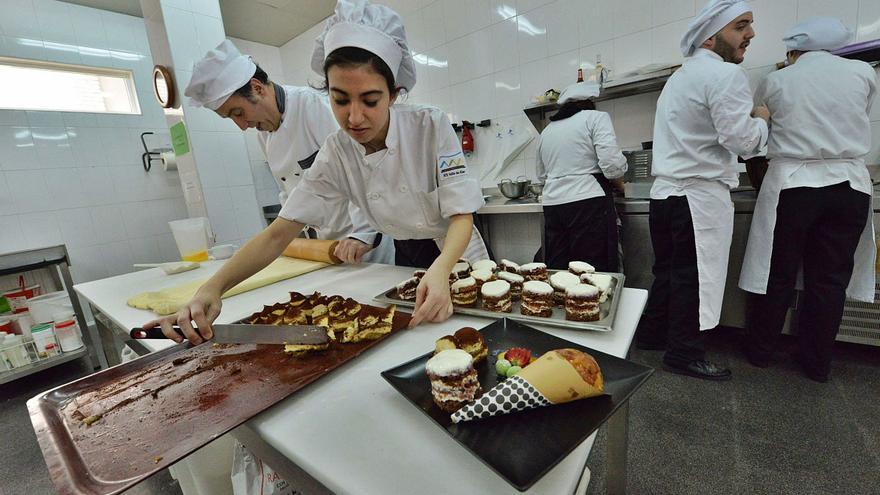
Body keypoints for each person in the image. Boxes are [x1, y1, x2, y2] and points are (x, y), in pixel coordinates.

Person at [144, 0, 489, 342]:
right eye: (340, 100)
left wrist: (442, 269)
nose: (354, 118)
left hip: (455, 252)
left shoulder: (430, 125)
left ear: (394, 95)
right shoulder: (337, 153)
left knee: (473, 338)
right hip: (406, 253)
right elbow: (279, 233)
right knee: (421, 343)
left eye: (370, 100)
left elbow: (461, 215)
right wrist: (212, 288)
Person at [634, 0, 770, 381]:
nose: (751, 34)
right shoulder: (725, 76)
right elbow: (740, 141)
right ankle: (683, 353)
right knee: (695, 278)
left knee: (669, 274)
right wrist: (761, 123)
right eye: (741, 26)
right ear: (710, 37)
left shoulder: (678, 78)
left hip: (664, 197)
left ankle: (651, 335)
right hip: (696, 197)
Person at [739, 17, 877, 382]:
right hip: (849, 187)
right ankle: (817, 364)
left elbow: (759, 129)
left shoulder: (777, 79)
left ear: (794, 51)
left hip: (794, 186)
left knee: (778, 274)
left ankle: (761, 352)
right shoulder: (863, 73)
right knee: (829, 280)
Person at [184, 40, 394, 264]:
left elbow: (363, 172)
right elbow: (290, 193)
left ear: (257, 88)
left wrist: (362, 234)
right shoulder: (264, 134)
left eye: (238, 112)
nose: (242, 126)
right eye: (231, 118)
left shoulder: (314, 107)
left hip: (363, 244)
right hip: (326, 248)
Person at [535, 81, 627, 272]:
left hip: (553, 205)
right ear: (589, 102)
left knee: (559, 270)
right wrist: (622, 185)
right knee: (593, 270)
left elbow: (541, 175)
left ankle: (560, 301)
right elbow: (612, 166)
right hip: (588, 203)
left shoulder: (547, 131)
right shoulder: (596, 118)